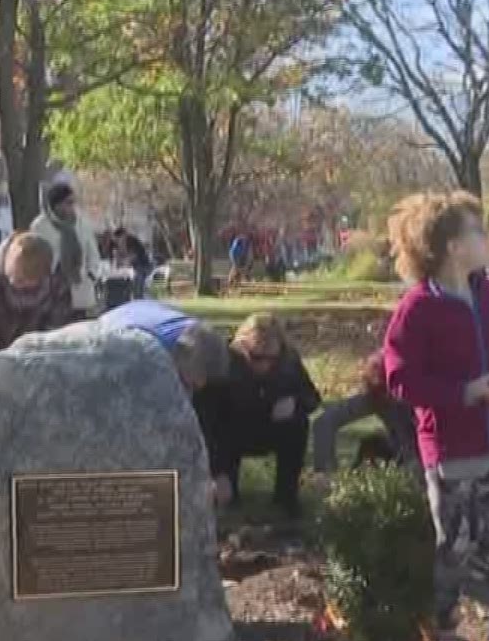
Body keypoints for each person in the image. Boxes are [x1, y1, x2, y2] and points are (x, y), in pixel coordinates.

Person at [381, 191, 489, 641]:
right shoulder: (418, 307)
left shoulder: (486, 294)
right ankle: (445, 638)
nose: (486, 239)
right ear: (450, 246)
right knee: (455, 547)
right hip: (451, 451)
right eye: (476, 231)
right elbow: (399, 378)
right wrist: (464, 392)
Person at [194, 312, 322, 518]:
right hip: (230, 433)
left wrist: (296, 403)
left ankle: (286, 497)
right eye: (256, 357)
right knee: (221, 431)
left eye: (272, 358)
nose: (265, 365)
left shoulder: (289, 360)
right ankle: (228, 489)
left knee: (299, 424)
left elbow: (312, 398)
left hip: (271, 427)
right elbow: (205, 421)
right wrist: (216, 471)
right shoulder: (222, 364)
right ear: (241, 346)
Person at [0, 232, 75, 364]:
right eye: (17, 280)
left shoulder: (57, 279)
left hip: (35, 353)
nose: (19, 287)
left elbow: (57, 329)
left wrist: (42, 359)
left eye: (29, 284)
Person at [309, 350, 421, 475]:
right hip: (406, 459)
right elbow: (324, 423)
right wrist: (325, 472)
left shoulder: (428, 388)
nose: (393, 397)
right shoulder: (376, 393)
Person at [98, 298, 230, 396]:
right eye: (192, 385)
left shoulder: (189, 327)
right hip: (104, 344)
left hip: (125, 314)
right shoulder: (149, 351)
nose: (195, 389)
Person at [31, 181, 102, 319]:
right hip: (52, 291)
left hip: (80, 287)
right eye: (67, 202)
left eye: (72, 202)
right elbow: (35, 257)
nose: (71, 207)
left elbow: (93, 253)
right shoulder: (40, 226)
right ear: (56, 205)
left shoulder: (83, 224)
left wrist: (91, 275)